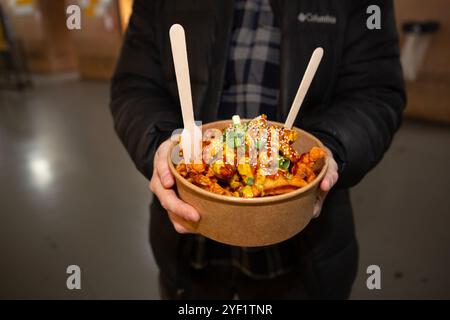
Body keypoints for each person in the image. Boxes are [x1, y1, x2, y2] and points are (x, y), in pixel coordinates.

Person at [110, 0, 405, 299]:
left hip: (304, 262)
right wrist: (162, 143)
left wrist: (332, 145)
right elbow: (135, 85)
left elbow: (376, 92)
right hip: (188, 259)